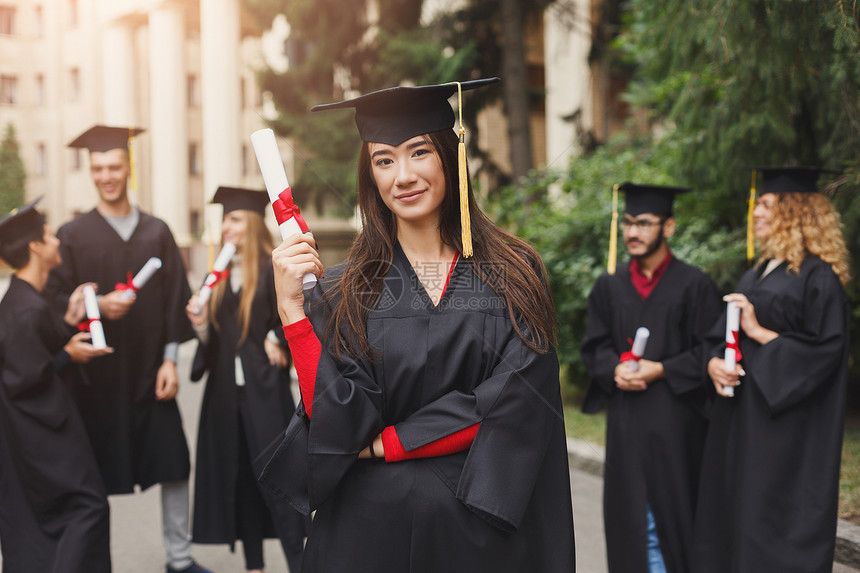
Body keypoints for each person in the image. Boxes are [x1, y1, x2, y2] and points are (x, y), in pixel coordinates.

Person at [257, 77, 577, 572]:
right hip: (367, 539)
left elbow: (517, 403)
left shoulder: (514, 273)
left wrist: (392, 442)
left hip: (476, 540)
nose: (402, 175)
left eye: (418, 152)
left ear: (450, 156)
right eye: (384, 159)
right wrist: (293, 315)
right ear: (371, 175)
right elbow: (336, 422)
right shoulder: (344, 290)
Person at [45, 126, 211, 573]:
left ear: (129, 168)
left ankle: (179, 559)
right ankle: (95, 563)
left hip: (149, 373)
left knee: (174, 462)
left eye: (114, 166)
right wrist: (98, 305)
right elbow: (53, 302)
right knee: (90, 476)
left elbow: (176, 298)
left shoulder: (157, 232)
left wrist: (171, 362)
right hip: (94, 380)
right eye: (98, 168)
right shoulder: (72, 234)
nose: (106, 176)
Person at [693, 166, 851, 572]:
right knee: (734, 518)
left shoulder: (819, 277)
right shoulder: (757, 272)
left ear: (794, 210)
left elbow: (826, 353)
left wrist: (760, 333)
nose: (756, 214)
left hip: (785, 432)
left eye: (765, 205)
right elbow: (717, 336)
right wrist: (713, 362)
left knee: (769, 521)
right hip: (741, 422)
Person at [580, 182, 721, 573]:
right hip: (627, 423)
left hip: (676, 424)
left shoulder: (695, 285)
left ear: (669, 227)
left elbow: (711, 351)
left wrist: (662, 369)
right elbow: (594, 346)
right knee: (631, 518)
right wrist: (614, 369)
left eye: (643, 223)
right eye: (627, 223)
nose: (632, 232)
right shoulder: (609, 286)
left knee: (671, 515)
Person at [185, 187, 307, 573]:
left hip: (265, 393)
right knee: (240, 484)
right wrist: (201, 326)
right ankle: (253, 567)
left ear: (253, 223)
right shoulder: (216, 277)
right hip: (224, 397)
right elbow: (213, 345)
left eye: (234, 219)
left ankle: (300, 564)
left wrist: (276, 338)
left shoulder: (275, 269)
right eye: (224, 220)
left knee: (278, 485)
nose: (226, 227)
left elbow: (300, 312)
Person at [0, 198, 112, 572]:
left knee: (46, 522)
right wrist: (67, 354)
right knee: (88, 508)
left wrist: (68, 322)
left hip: (35, 431)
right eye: (48, 236)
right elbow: (23, 377)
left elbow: (35, 352)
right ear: (34, 246)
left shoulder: (26, 299)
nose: (56, 241)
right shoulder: (24, 309)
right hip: (37, 435)